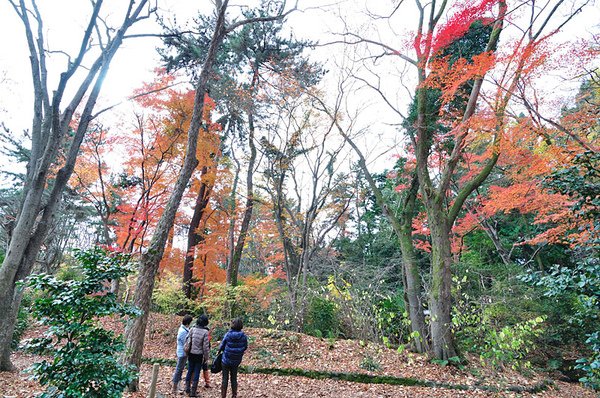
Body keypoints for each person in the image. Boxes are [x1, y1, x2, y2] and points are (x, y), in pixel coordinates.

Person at [218, 318, 248, 398]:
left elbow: (221, 346)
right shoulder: (244, 336)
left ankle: (223, 396)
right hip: (236, 360)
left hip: (226, 359)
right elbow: (245, 347)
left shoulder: (228, 334)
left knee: (225, 378)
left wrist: (220, 351)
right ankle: (234, 395)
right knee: (234, 378)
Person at [184, 315, 210, 397]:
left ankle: (187, 388)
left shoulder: (192, 329)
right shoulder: (205, 332)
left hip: (191, 353)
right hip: (199, 355)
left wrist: (187, 352)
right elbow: (205, 347)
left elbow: (188, 341)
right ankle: (193, 392)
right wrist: (206, 358)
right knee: (196, 372)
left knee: (190, 370)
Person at [172, 314, 193, 394]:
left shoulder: (184, 329)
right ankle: (174, 387)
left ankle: (178, 386)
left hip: (182, 352)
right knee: (179, 370)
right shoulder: (183, 331)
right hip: (182, 353)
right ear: (188, 323)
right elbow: (186, 343)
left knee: (180, 369)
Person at [197, 314, 212, 388]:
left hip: (199, 351)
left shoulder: (196, 329)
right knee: (203, 367)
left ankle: (207, 382)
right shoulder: (206, 331)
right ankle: (207, 382)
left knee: (200, 368)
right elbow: (207, 343)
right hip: (202, 352)